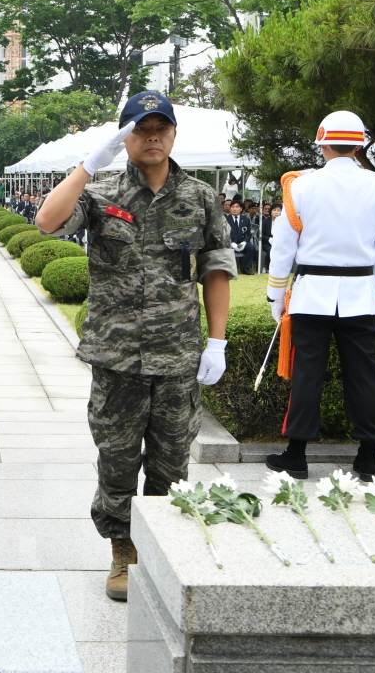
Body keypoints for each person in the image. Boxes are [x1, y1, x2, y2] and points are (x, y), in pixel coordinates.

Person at [36, 92, 234, 601]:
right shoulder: (100, 192)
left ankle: (163, 550)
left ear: (172, 134)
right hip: (117, 357)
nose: (151, 137)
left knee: (171, 463)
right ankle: (122, 552)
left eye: (160, 128)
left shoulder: (200, 197)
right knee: (118, 461)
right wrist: (87, 165)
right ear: (124, 135)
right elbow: (47, 222)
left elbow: (216, 269)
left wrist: (218, 342)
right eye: (140, 129)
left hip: (177, 356)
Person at [265, 110, 375, 483]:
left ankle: (296, 456)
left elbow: (283, 247)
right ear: (360, 145)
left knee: (307, 374)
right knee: (364, 376)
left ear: (322, 141)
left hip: (312, 295)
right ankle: (368, 457)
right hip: (362, 296)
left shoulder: (301, 186)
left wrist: (276, 294)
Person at [225, 200, 255, 275]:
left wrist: (244, 242)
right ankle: (228, 269)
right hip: (230, 243)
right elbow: (223, 234)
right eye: (233, 207)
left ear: (241, 209)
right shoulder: (225, 219)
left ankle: (245, 268)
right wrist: (231, 243)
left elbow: (248, 234)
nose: (235, 209)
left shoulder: (246, 220)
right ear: (230, 208)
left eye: (237, 207)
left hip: (242, 242)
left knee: (251, 248)